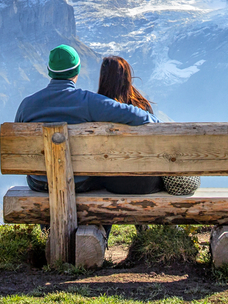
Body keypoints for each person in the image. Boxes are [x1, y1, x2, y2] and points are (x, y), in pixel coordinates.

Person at [15, 44, 157, 193]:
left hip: (38, 183)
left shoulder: (26, 105)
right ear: (77, 70)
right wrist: (153, 119)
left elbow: (18, 144)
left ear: (49, 71)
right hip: (78, 183)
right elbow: (133, 115)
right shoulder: (89, 101)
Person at [96, 56, 164, 194]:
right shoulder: (141, 106)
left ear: (102, 78)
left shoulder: (95, 109)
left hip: (112, 183)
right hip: (146, 183)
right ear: (127, 77)